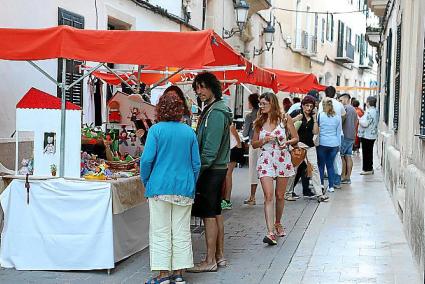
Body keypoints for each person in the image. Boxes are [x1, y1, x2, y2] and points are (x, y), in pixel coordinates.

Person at [140, 86, 201, 284]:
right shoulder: (189, 133)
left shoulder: (156, 130)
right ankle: (179, 273)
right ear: (180, 110)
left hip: (159, 187)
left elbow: (147, 160)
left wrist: (146, 180)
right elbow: (196, 164)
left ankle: (162, 275)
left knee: (160, 231)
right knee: (182, 230)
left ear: (160, 109)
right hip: (184, 188)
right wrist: (191, 182)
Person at [189, 72, 232, 272]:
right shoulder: (215, 109)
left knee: (209, 214)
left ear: (212, 87)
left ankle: (210, 260)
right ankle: (219, 256)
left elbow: (210, 150)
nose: (199, 92)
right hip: (217, 168)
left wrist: (197, 170)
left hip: (212, 169)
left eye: (202, 87)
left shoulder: (216, 112)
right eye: (197, 88)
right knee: (215, 213)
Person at [252, 92, 299, 245]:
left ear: (272, 103)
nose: (261, 106)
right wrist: (264, 139)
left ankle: (278, 223)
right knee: (268, 196)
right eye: (260, 103)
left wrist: (287, 142)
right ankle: (270, 232)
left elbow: (295, 138)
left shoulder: (285, 119)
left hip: (282, 157)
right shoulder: (259, 121)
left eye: (264, 103)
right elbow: (253, 144)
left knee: (280, 195)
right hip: (265, 158)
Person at [287, 95, 329, 202]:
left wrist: (315, 120)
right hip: (297, 145)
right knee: (293, 170)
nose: (309, 108)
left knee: (314, 168)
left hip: (310, 146)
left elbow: (315, 132)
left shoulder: (314, 116)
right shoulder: (296, 113)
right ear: (302, 105)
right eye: (307, 106)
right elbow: (286, 124)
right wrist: (296, 119)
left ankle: (319, 194)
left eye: (311, 106)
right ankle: (287, 193)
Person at [317, 98, 342, 193]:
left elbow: (318, 129)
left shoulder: (320, 115)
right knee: (330, 165)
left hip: (322, 143)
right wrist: (338, 145)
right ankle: (331, 186)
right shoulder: (337, 117)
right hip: (334, 144)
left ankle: (321, 184)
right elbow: (338, 132)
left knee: (321, 165)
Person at [335, 93, 358, 186]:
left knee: (341, 156)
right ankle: (348, 177)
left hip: (344, 135)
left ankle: (343, 176)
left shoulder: (345, 108)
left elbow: (341, 121)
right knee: (348, 156)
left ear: (346, 99)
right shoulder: (354, 109)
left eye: (341, 100)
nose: (340, 102)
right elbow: (356, 122)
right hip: (352, 135)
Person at [242, 93, 260, 206]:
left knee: (253, 171)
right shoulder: (265, 115)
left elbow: (245, 133)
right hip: (264, 145)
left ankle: (252, 197)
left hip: (254, 145)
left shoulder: (249, 116)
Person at [222, 123, 243, 210]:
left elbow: (237, 139)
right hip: (230, 150)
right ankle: (225, 199)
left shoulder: (230, 126)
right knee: (226, 174)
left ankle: (227, 200)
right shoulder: (225, 125)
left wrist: (239, 148)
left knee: (228, 174)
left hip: (233, 150)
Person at [358, 96, 379, 175]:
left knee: (366, 152)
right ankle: (369, 168)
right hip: (372, 134)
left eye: (366, 102)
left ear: (368, 102)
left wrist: (359, 120)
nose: (366, 103)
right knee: (369, 152)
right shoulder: (375, 111)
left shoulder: (370, 111)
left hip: (367, 135)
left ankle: (367, 169)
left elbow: (365, 123)